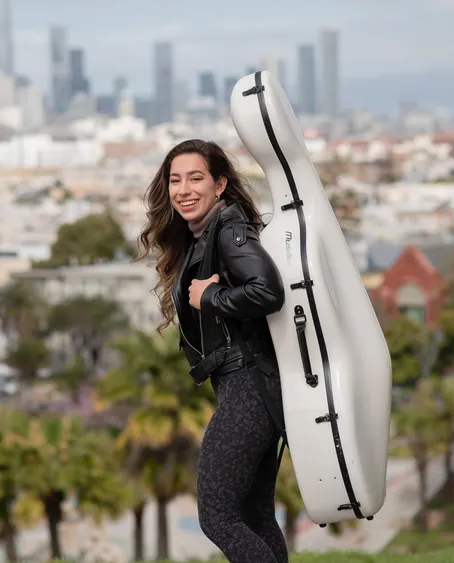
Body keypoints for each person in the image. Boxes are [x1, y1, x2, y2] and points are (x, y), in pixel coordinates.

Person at [137, 139, 288, 563]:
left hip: (248, 388)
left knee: (218, 516)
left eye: (196, 178)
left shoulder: (229, 230)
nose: (183, 189)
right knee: (254, 516)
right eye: (175, 180)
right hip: (250, 385)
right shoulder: (207, 234)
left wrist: (213, 296)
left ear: (220, 184)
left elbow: (267, 291)